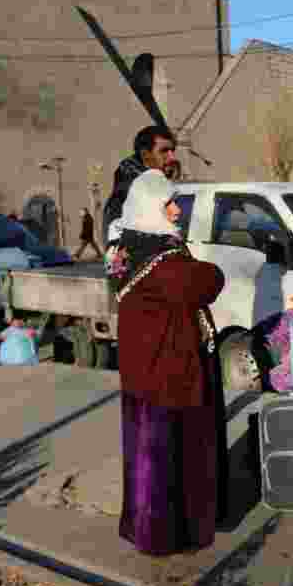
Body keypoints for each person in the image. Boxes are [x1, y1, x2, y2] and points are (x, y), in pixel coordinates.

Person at [109, 169, 226, 555]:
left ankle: (145, 527)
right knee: (168, 457)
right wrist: (208, 267)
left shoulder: (124, 248)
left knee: (147, 456)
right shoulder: (163, 258)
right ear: (148, 208)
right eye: (169, 204)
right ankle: (166, 534)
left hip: (144, 367)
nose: (178, 211)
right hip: (169, 369)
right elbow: (205, 282)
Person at [102, 125, 178, 247]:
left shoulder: (152, 181)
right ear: (145, 154)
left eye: (172, 151)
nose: (172, 157)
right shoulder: (135, 187)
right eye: (164, 151)